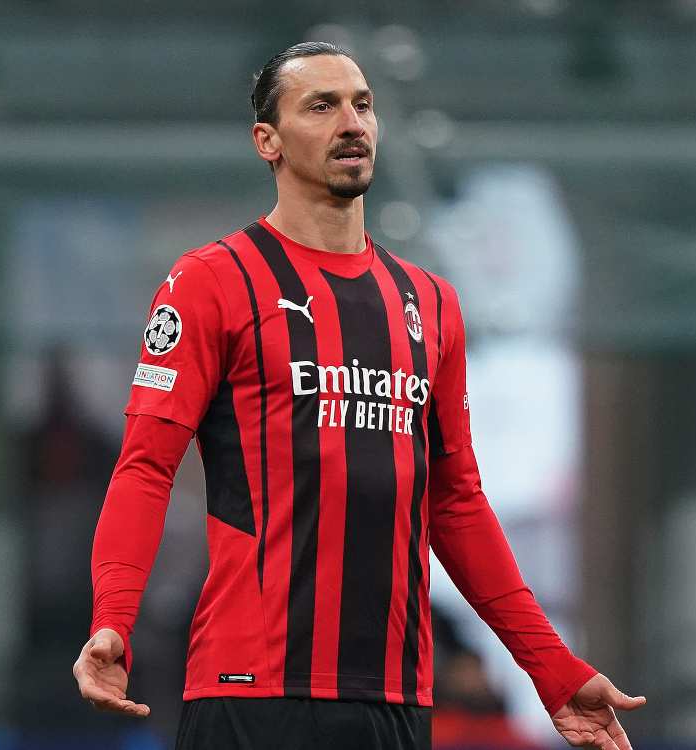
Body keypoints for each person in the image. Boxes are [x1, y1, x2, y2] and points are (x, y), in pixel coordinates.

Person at [73, 41, 645, 750]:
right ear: (267, 141)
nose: (352, 122)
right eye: (322, 106)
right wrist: (113, 619)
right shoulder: (210, 282)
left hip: (394, 698)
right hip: (252, 694)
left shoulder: (431, 304)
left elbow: (457, 505)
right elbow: (145, 467)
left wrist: (552, 668)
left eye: (363, 105)